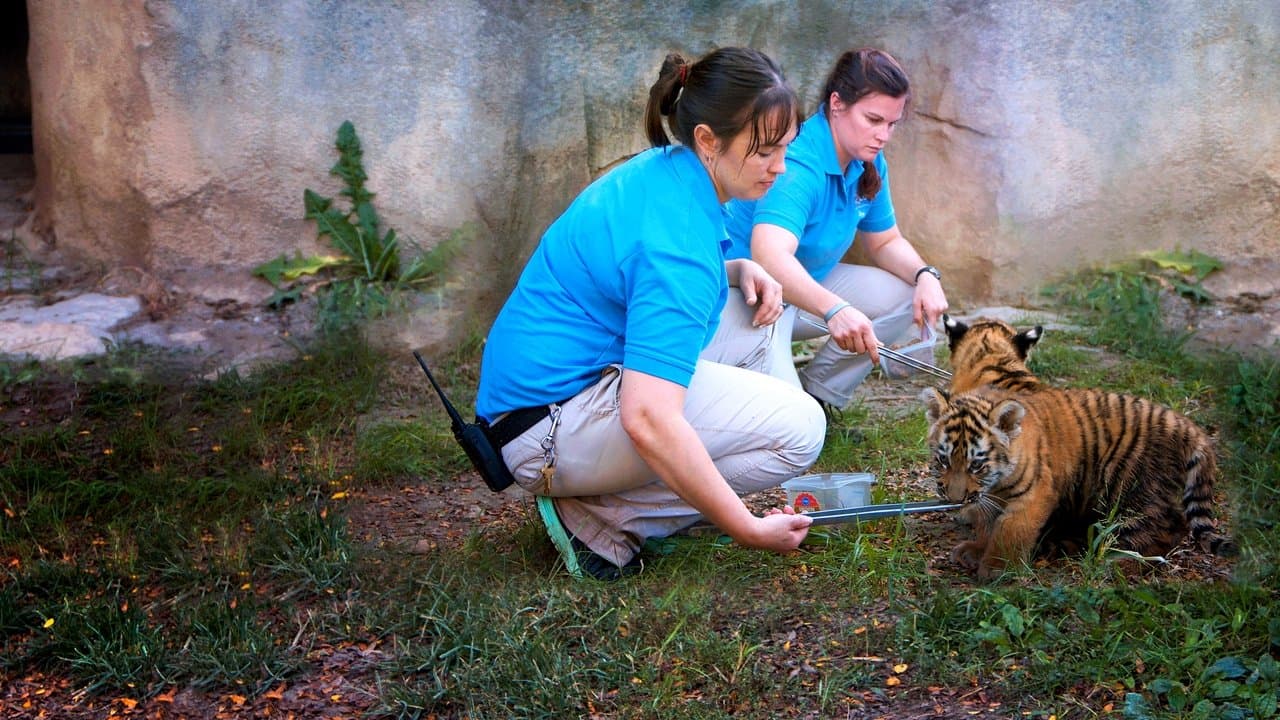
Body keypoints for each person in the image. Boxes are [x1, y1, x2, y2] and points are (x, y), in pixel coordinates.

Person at [475, 48, 826, 581]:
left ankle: (661, 483)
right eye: (765, 151)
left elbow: (639, 277)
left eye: (786, 149)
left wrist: (736, 268)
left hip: (555, 394)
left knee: (764, 307)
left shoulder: (669, 171)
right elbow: (648, 417)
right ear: (709, 140)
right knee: (800, 431)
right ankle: (604, 519)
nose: (781, 168)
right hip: (544, 431)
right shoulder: (679, 247)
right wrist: (747, 529)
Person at [721, 48, 949, 410]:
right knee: (790, 423)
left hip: (800, 290)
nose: (883, 135)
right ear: (837, 103)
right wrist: (834, 310)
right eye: (873, 119)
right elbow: (769, 255)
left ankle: (821, 393)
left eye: (891, 124)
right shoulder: (798, 163)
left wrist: (925, 275)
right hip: (750, 299)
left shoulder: (867, 159)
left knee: (906, 295)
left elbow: (885, 241)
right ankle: (791, 399)